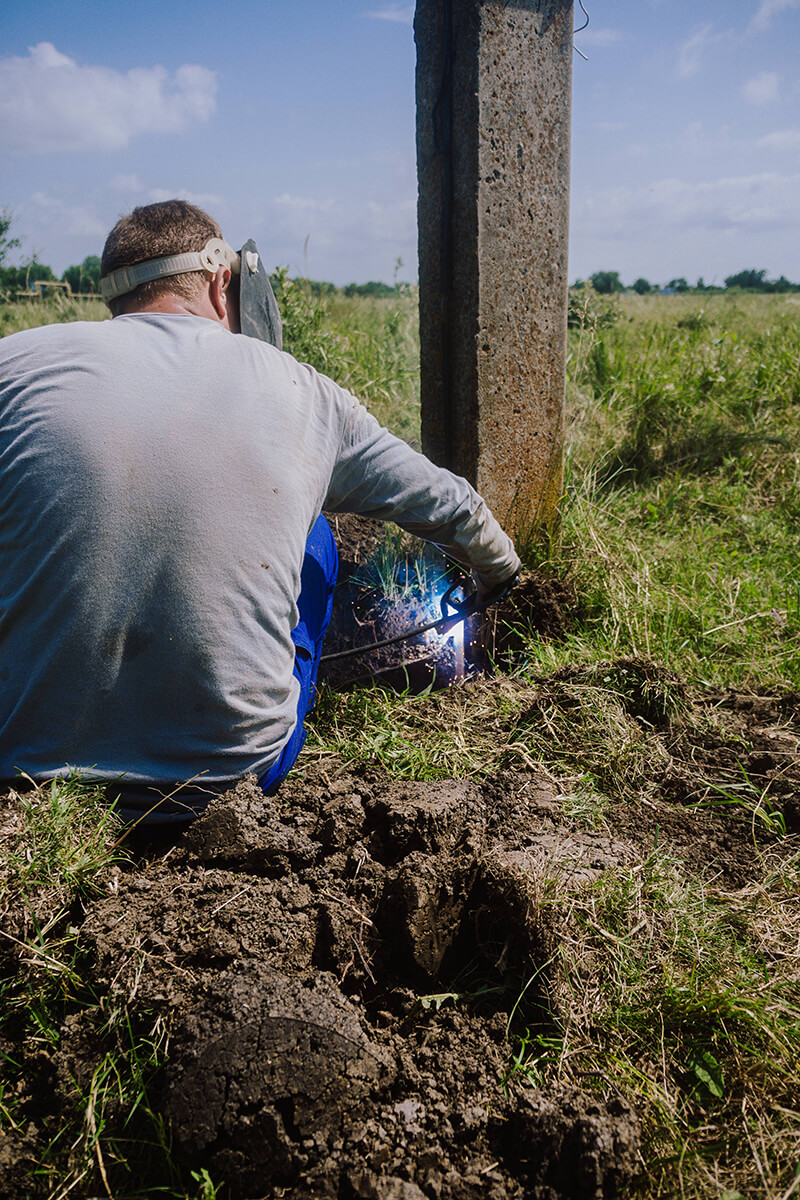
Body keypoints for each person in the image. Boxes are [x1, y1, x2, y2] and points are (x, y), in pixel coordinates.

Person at [0, 200, 520, 827]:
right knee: (318, 536)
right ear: (223, 282)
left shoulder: (16, 365)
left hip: (24, 776)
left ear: (115, 294)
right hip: (226, 779)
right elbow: (449, 505)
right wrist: (504, 578)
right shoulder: (305, 391)